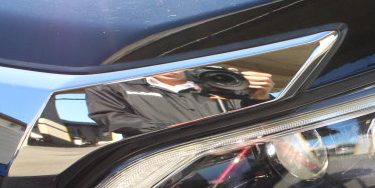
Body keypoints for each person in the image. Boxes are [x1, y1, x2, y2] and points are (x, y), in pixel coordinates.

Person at [85, 68, 274, 136]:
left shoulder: (222, 84)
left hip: (245, 165)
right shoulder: (113, 87)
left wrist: (260, 96)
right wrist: (182, 133)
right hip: (170, 172)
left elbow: (263, 119)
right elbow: (113, 118)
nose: (170, 66)